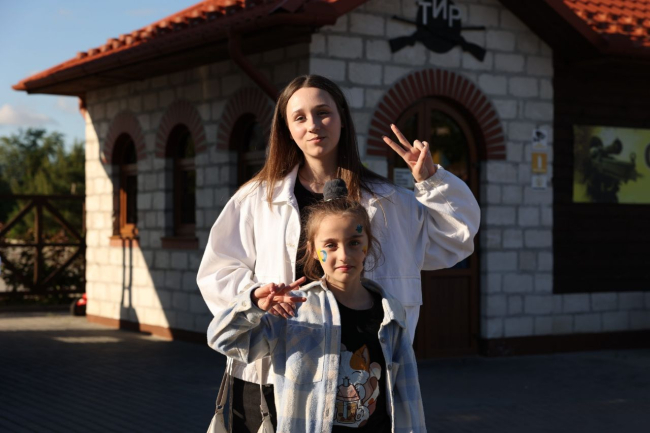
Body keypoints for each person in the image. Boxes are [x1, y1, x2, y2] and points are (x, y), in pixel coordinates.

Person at [197, 74, 480, 431]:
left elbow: (455, 238)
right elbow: (218, 271)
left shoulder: (388, 202)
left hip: (362, 382)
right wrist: (257, 298)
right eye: (299, 117)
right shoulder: (257, 200)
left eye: (323, 113)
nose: (313, 125)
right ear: (287, 129)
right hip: (277, 380)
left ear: (342, 118)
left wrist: (432, 179)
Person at [210, 181, 426, 432]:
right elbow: (223, 341)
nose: (344, 255)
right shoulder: (294, 311)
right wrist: (252, 305)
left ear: (368, 244)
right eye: (331, 245)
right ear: (313, 250)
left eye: (354, 242)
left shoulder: (390, 312)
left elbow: (407, 393)